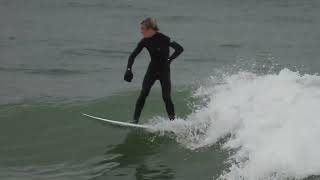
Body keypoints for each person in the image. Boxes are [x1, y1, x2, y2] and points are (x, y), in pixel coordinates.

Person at [124, 17, 184, 124]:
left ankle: (173, 123)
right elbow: (133, 55)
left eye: (143, 28)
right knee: (143, 94)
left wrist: (169, 59)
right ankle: (135, 121)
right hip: (152, 70)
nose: (141, 31)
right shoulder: (144, 41)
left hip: (164, 71)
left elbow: (179, 49)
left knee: (166, 97)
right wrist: (129, 69)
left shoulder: (164, 38)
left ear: (150, 29)